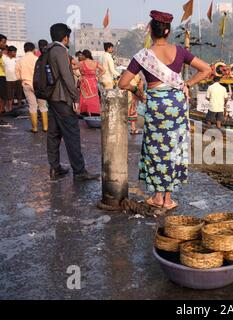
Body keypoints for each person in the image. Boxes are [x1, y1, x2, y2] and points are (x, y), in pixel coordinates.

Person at [119, 10, 211, 210]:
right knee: (173, 148)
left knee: (155, 148)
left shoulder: (142, 56)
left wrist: (138, 90)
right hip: (176, 104)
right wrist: (187, 83)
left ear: (150, 30)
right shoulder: (180, 51)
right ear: (168, 31)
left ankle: (157, 197)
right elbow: (206, 69)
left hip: (156, 105)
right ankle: (168, 199)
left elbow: (123, 82)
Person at [46, 23, 99, 181]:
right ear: (65, 37)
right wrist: (76, 97)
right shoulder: (60, 50)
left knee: (54, 134)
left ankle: (55, 168)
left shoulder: (48, 50)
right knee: (72, 135)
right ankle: (79, 171)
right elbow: (67, 77)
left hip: (53, 99)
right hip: (63, 99)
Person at [15, 42, 48, 133]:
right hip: (39, 85)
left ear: (24, 49)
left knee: (32, 106)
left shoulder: (20, 61)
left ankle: (35, 128)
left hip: (27, 84)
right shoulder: (37, 59)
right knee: (43, 106)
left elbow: (17, 76)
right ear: (34, 50)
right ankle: (45, 127)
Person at [77, 49, 104, 116]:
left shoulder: (81, 63)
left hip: (85, 83)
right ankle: (95, 112)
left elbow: (72, 68)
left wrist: (78, 75)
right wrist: (97, 76)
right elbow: (103, 70)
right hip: (93, 82)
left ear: (84, 55)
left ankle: (85, 112)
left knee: (84, 98)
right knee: (94, 98)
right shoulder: (95, 62)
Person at [4, 46, 23, 111]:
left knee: (19, 93)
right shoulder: (4, 59)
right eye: (14, 52)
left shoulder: (18, 59)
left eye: (15, 52)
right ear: (9, 52)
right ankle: (10, 107)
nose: (15, 53)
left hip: (17, 79)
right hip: (8, 79)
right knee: (9, 94)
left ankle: (19, 105)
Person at [0, 34, 7, 114]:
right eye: (3, 42)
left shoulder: (1, 53)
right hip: (0, 76)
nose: (4, 45)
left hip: (2, 76)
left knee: (2, 97)